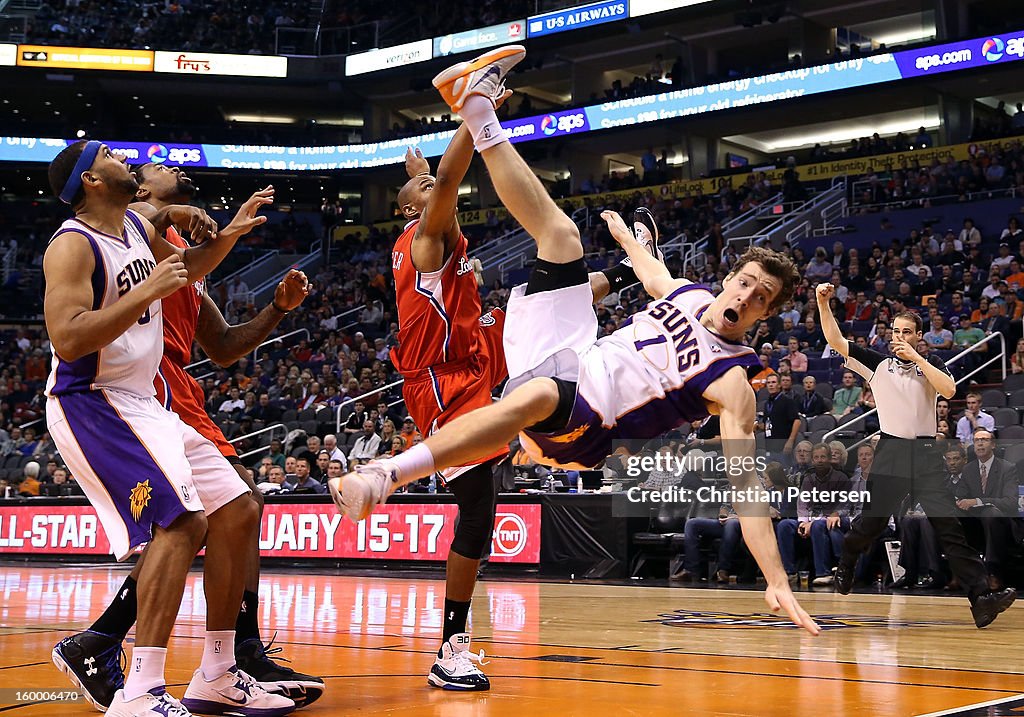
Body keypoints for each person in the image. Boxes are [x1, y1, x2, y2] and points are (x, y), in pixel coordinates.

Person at [332, 46, 819, 636]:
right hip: (573, 350)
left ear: (767, 313)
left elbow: (746, 486)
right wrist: (628, 239)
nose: (747, 296)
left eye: (762, 296)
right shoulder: (689, 294)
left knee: (537, 394)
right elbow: (651, 271)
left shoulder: (734, 382)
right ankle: (479, 110)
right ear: (729, 278)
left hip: (587, 425)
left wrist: (776, 578)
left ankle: (385, 475)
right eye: (746, 282)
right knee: (561, 234)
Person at [52, 160, 323, 710]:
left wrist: (233, 232)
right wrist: (149, 280)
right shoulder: (73, 244)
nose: (126, 159)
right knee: (180, 521)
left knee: (238, 508)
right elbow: (66, 339)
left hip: (147, 399)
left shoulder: (135, 229)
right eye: (112, 156)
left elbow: (194, 276)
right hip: (96, 397)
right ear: (91, 180)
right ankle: (141, 687)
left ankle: (219, 670)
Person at [815, 282, 1015, 627]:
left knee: (950, 527)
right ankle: (848, 557)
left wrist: (919, 358)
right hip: (891, 450)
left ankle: (981, 598)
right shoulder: (876, 364)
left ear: (918, 335)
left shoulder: (931, 363)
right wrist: (823, 303)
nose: (900, 337)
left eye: (907, 332)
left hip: (925, 454)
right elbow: (835, 340)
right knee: (872, 523)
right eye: (896, 332)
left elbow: (949, 390)